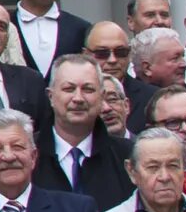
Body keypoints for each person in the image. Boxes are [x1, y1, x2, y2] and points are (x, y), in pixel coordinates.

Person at [38, 54, 128, 204]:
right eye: (69, 89)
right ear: (51, 96)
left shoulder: (127, 156)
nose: (78, 98)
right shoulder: (27, 155)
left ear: (102, 96)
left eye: (88, 89)